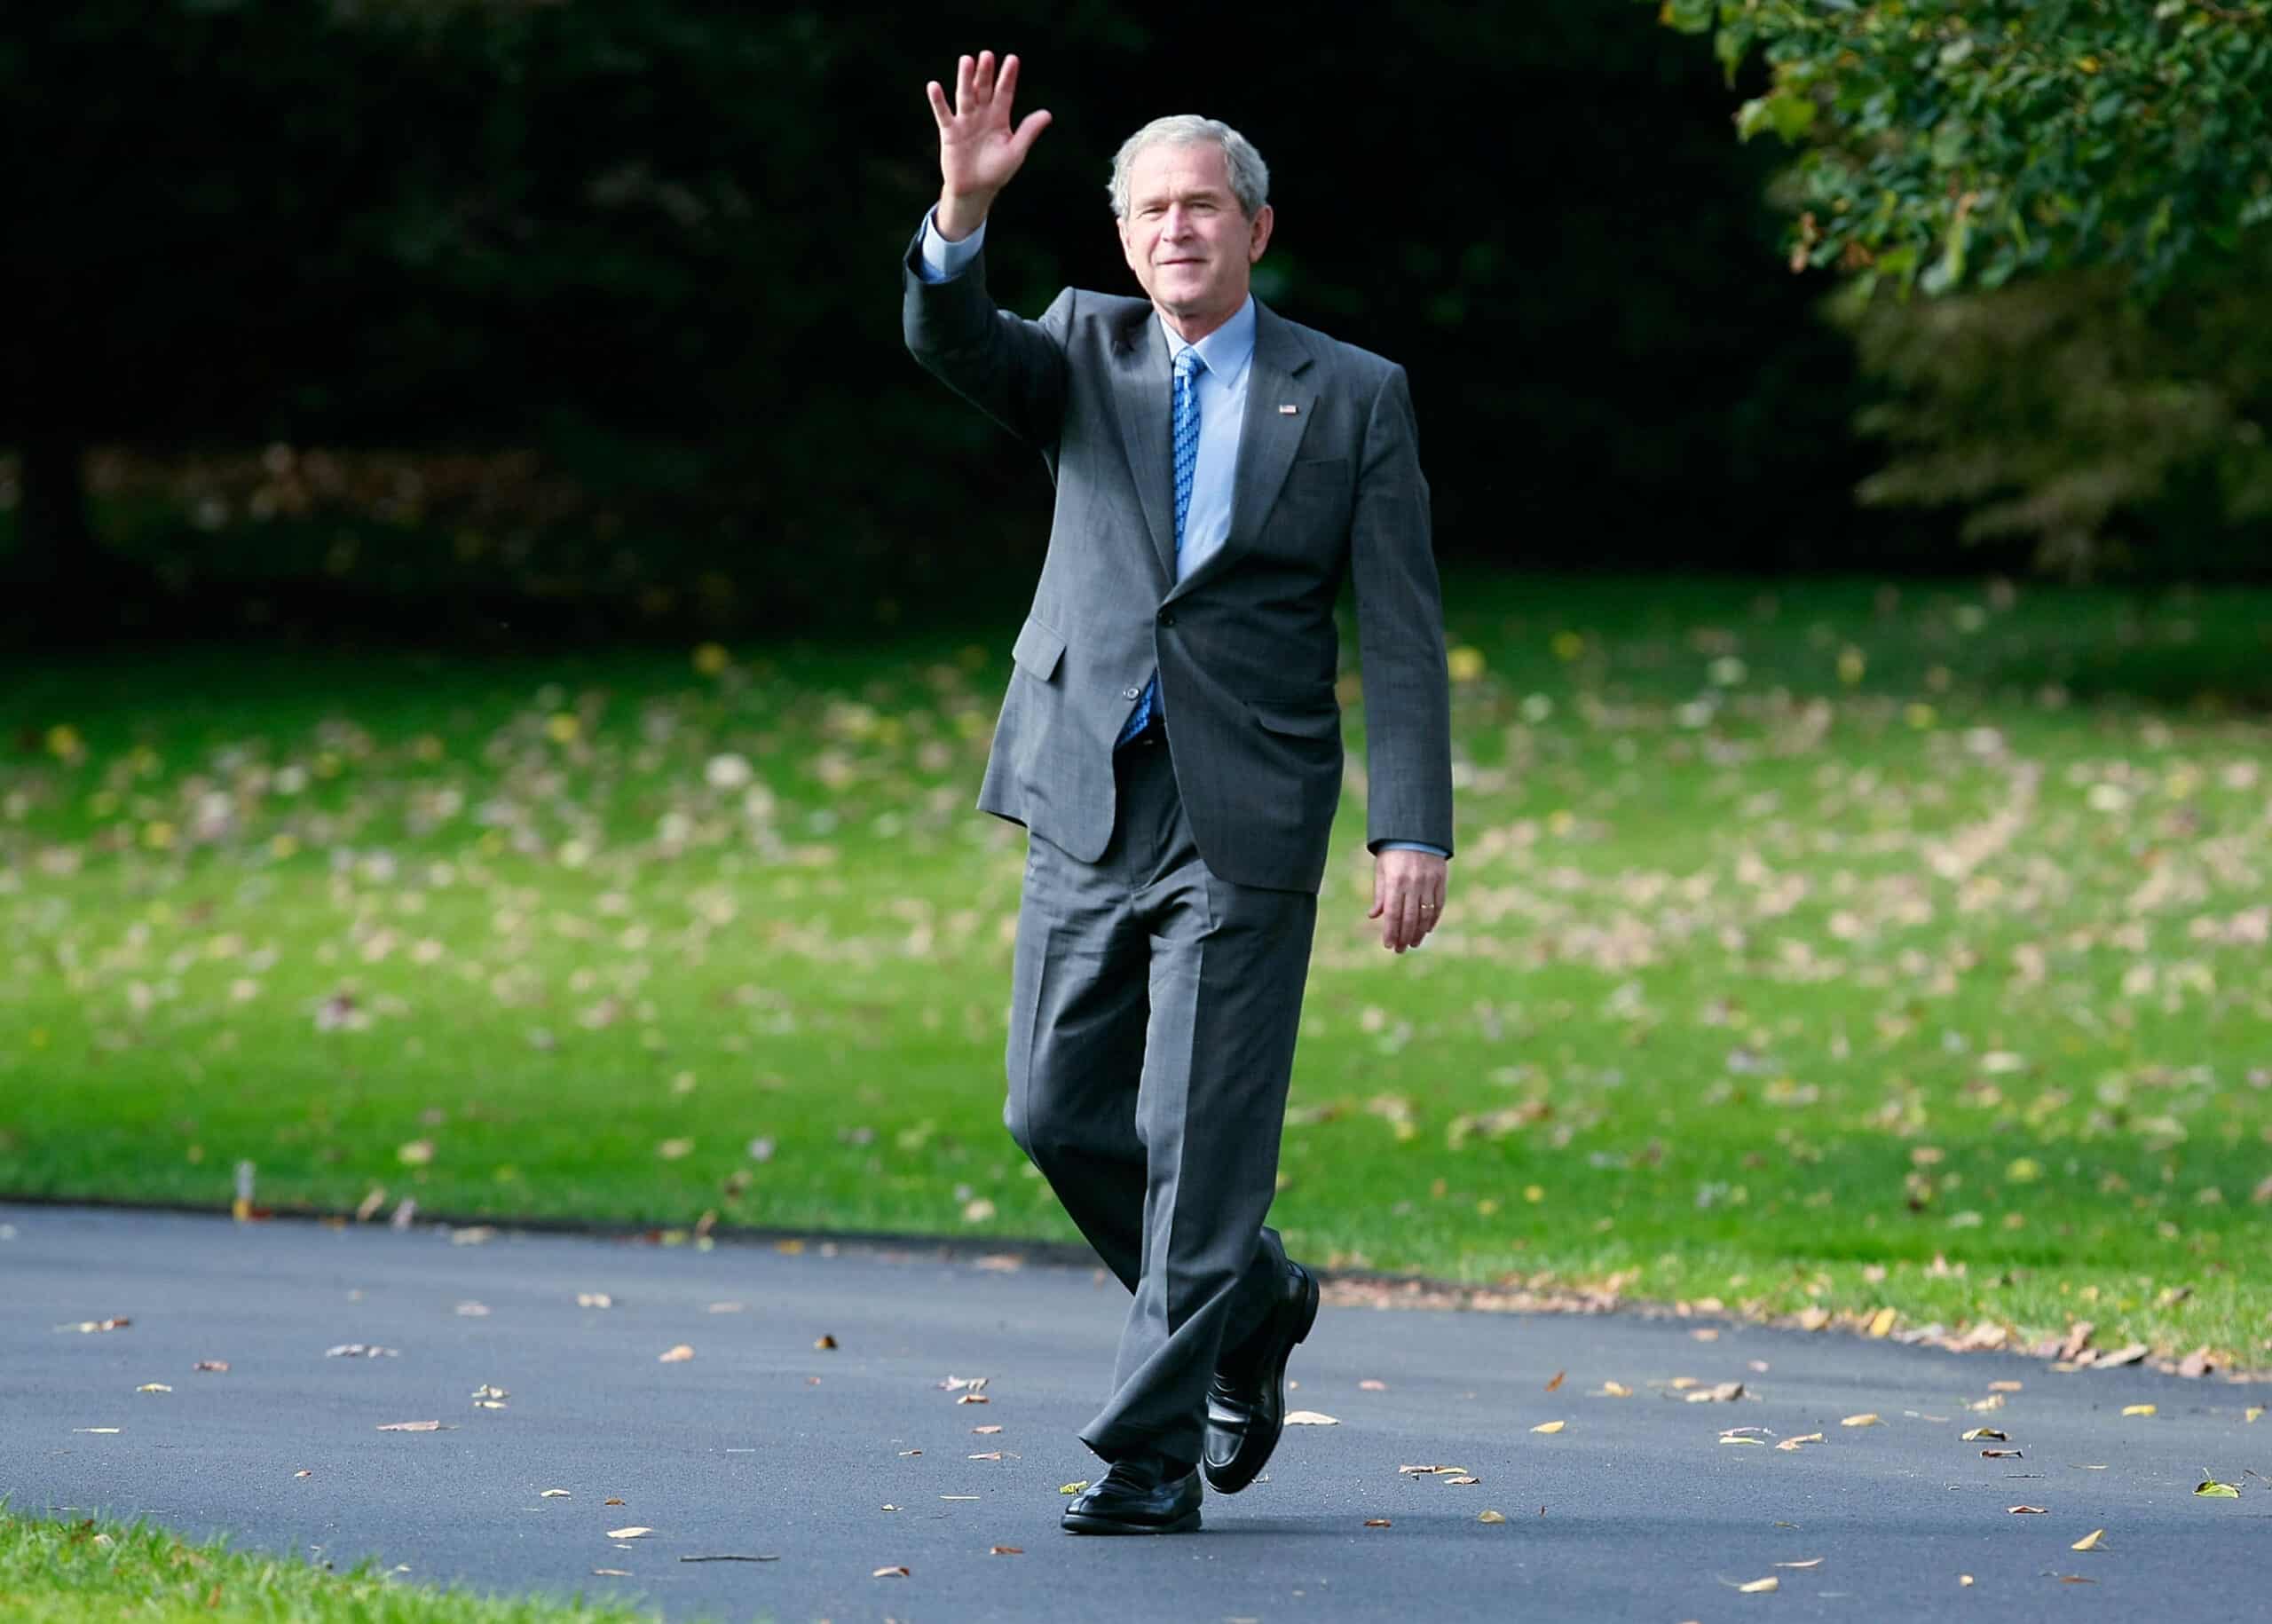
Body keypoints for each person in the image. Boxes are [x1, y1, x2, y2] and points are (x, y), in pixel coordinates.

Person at [903, 51, 1454, 1535]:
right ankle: (1257, 1300)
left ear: (1255, 229)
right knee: (1053, 1106)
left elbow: (1398, 629)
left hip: (1248, 810)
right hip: (1088, 787)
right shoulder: (1080, 348)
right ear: (1125, 233)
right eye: (1150, 212)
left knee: (1201, 1141)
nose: (1175, 232)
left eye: (1203, 207)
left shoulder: (1353, 397)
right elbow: (954, 341)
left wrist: (1413, 822)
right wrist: (960, 211)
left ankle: (1147, 1453)